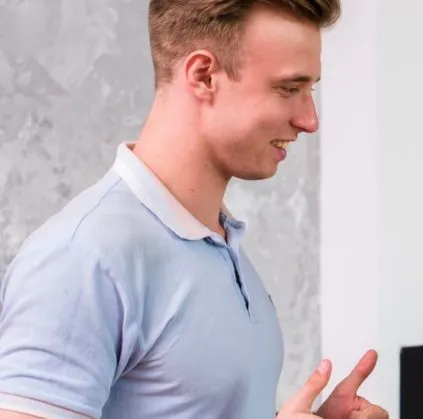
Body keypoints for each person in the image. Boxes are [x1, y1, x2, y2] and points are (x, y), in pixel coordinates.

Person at [0, 1, 387, 418]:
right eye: (288, 89)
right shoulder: (82, 258)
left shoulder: (221, 242)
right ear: (203, 75)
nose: (309, 120)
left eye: (310, 90)